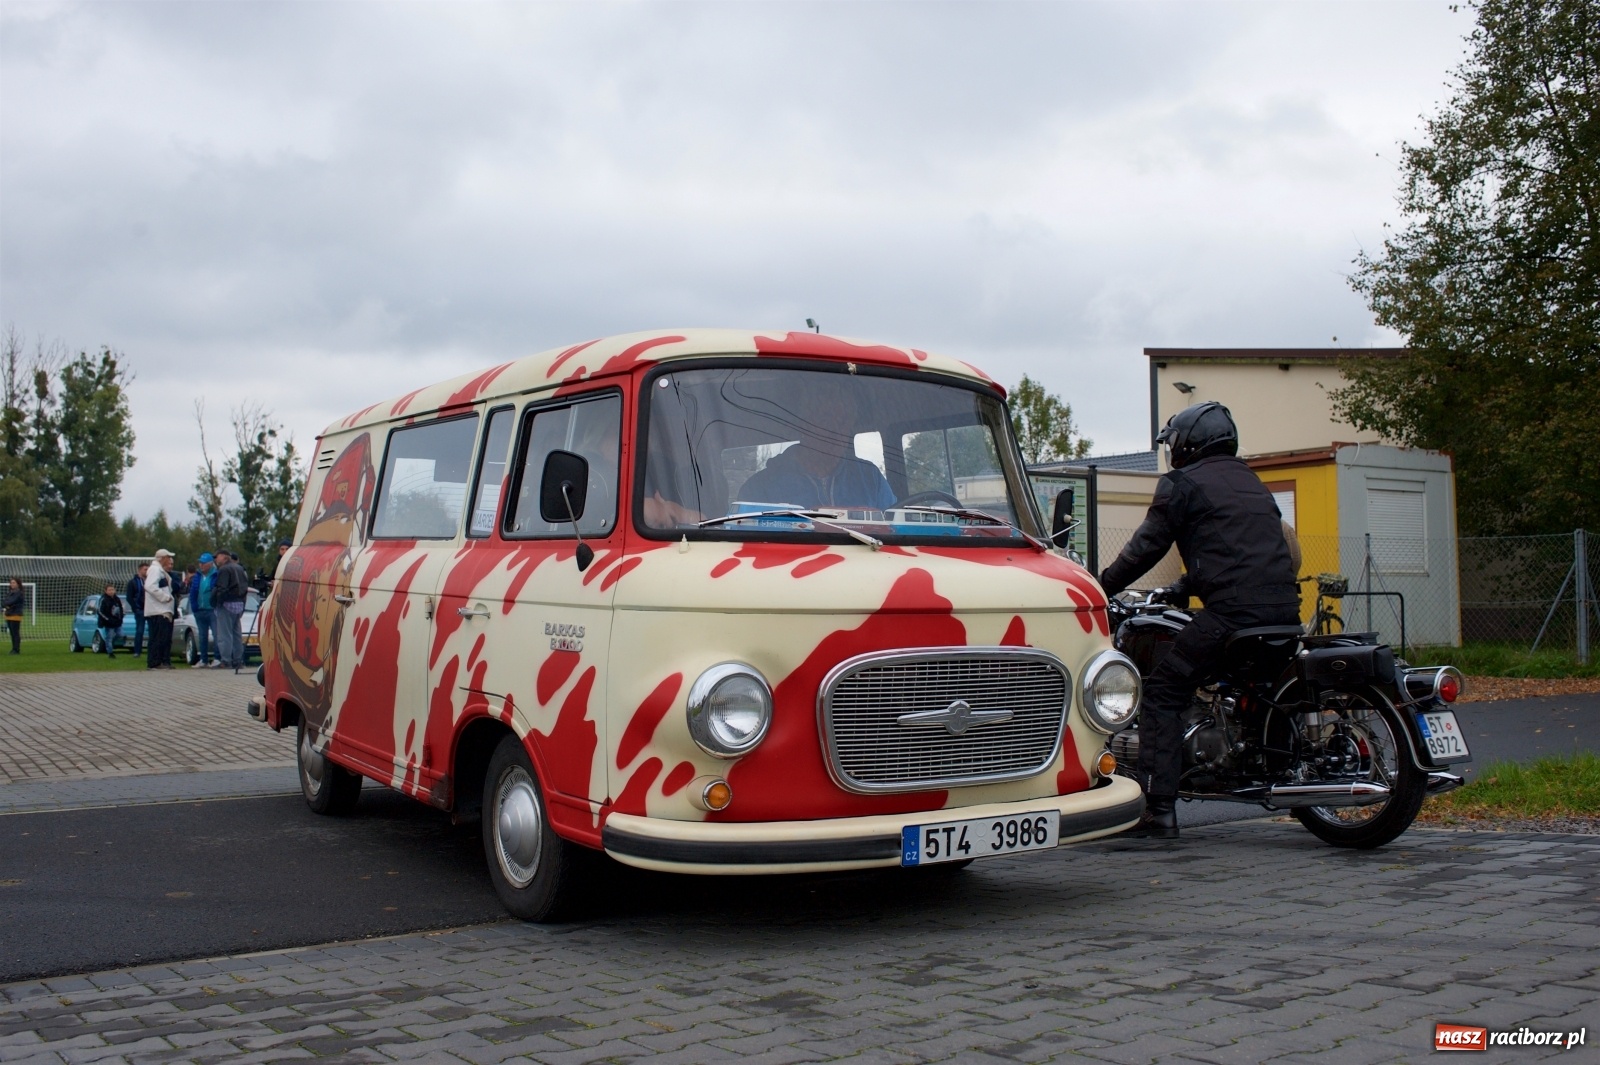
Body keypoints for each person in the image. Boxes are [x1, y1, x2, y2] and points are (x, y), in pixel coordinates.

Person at [1097, 402, 1300, 839]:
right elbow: (1242, 554)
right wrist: (1184, 585)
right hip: (1285, 615)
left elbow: (1144, 549)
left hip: (1233, 618)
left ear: (1188, 443)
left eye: (1173, 444)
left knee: (1162, 692)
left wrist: (1099, 587)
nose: (1172, 452)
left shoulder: (1182, 484)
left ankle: (1158, 810)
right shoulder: (1252, 484)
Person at [738, 382, 894, 510]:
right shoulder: (760, 487)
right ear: (803, 424)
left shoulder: (870, 478)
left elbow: (896, 529)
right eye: (825, 419)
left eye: (843, 421)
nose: (834, 429)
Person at [213, 548, 250, 669]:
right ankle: (238, 660)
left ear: (224, 557)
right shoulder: (239, 568)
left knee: (224, 634)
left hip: (226, 603)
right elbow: (245, 588)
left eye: (217, 557)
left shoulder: (224, 569)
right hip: (239, 604)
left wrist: (217, 601)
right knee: (236, 634)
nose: (215, 560)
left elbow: (222, 588)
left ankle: (226, 660)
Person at [144, 549, 177, 670]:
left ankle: (162, 660)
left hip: (162, 610)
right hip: (157, 610)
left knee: (163, 637)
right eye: (168, 557)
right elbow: (149, 586)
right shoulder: (155, 569)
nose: (169, 560)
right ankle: (154, 662)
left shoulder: (160, 570)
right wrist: (165, 597)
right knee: (157, 637)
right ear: (162, 558)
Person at [189, 553, 218, 667]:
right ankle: (203, 660)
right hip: (200, 610)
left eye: (203, 563)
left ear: (210, 564)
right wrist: (194, 607)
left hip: (212, 610)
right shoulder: (197, 576)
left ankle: (217, 658)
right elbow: (193, 593)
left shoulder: (216, 575)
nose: (201, 565)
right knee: (202, 636)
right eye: (200, 563)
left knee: (216, 634)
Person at [126, 563, 149, 658]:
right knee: (140, 631)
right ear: (139, 570)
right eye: (145, 569)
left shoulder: (150, 581)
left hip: (150, 609)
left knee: (152, 631)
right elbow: (129, 597)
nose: (147, 571)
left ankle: (152, 651)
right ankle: (137, 651)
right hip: (140, 610)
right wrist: (135, 608)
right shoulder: (133, 582)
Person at [96, 582, 124, 658]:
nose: (111, 591)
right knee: (109, 636)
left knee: (120, 634)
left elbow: (120, 609)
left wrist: (121, 617)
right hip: (108, 622)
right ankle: (110, 652)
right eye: (109, 590)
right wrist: (107, 619)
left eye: (112, 589)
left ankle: (109, 643)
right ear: (106, 591)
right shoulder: (103, 599)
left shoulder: (117, 599)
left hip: (117, 621)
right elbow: (100, 611)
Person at [4, 577, 23, 654]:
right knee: (12, 633)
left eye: (14, 582)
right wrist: (6, 605)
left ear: (18, 584)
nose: (12, 584)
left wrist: (7, 604)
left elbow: (11, 602)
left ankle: (16, 649)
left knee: (15, 633)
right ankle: (13, 648)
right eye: (11, 583)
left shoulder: (19, 593)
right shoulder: (10, 593)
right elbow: (4, 602)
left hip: (15, 614)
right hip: (9, 614)